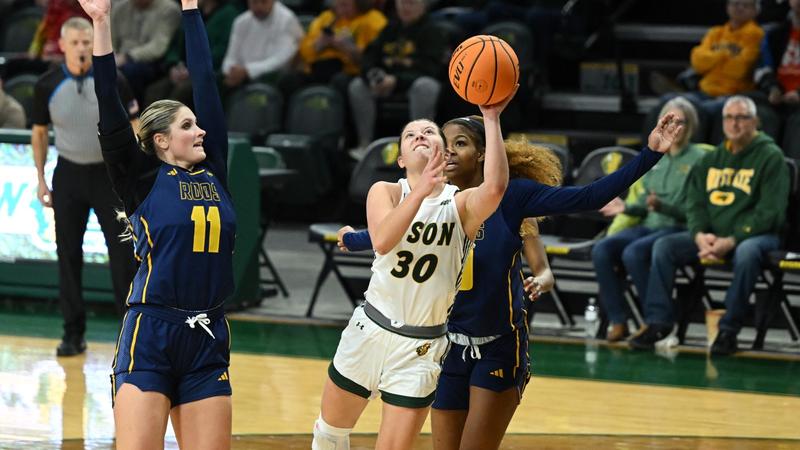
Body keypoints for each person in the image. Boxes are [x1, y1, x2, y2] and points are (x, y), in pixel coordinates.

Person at [337, 113, 685, 450]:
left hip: (497, 345)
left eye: (461, 143)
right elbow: (387, 235)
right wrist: (351, 238)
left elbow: (588, 197)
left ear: (483, 154)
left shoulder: (512, 197)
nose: (451, 151)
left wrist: (651, 153)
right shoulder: (433, 200)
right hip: (443, 347)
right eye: (446, 143)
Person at [312, 84, 515, 449]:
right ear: (402, 160)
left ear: (444, 151)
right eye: (410, 135)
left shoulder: (461, 204)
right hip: (369, 330)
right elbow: (382, 240)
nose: (420, 136)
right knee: (329, 435)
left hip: (421, 346)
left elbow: (496, 188)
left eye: (428, 132)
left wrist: (491, 117)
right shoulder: (386, 191)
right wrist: (421, 190)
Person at [79, 0, 236, 446]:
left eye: (198, 124)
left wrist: (191, 10)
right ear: (162, 140)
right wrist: (102, 23)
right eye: (188, 126)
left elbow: (205, 80)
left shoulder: (215, 169)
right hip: (151, 334)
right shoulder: (141, 179)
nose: (200, 131)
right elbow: (108, 99)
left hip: (208, 334)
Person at [630, 95, 789, 356]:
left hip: (758, 236)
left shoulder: (771, 157)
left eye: (742, 117)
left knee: (747, 253)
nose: (734, 123)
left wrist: (732, 239)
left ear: (755, 122)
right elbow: (695, 204)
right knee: (664, 246)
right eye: (729, 117)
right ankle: (659, 322)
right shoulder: (712, 158)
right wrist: (699, 235)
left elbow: (770, 213)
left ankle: (728, 330)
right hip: (713, 236)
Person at [31, 16, 138, 357]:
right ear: (62, 45)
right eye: (75, 42)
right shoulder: (47, 84)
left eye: (86, 42)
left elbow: (135, 125)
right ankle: (72, 333)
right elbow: (39, 132)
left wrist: (133, 172)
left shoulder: (114, 80)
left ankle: (130, 335)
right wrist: (40, 178)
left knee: (123, 257)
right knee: (68, 255)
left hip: (109, 178)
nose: (81, 48)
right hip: (68, 175)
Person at [592, 97, 707, 342]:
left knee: (633, 252)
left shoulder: (700, 159)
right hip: (649, 225)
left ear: (691, 126)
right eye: (670, 121)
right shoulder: (656, 157)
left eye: (681, 122)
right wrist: (626, 208)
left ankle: (655, 320)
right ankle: (618, 320)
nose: (675, 127)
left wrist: (663, 206)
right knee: (602, 249)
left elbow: (697, 211)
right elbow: (645, 206)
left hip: (678, 228)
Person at [347, 0, 445, 160]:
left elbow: (431, 69)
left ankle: (421, 148)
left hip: (414, 84)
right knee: (358, 86)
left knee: (425, 86)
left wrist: (397, 81)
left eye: (411, 3)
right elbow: (369, 57)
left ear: (423, 6)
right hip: (387, 83)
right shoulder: (390, 28)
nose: (405, 7)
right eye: (401, 3)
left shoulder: (432, 31)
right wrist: (373, 75)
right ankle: (365, 145)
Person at [221, 0, 303, 90]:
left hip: (273, 78)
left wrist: (248, 71)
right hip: (240, 76)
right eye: (254, 2)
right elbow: (230, 57)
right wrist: (231, 70)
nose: (259, 7)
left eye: (264, 2)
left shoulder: (287, 19)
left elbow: (282, 59)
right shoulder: (240, 22)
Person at [110, 0, 182, 103]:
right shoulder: (119, 8)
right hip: (119, 58)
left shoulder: (169, 9)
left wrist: (127, 57)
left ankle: (132, 110)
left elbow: (158, 46)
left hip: (152, 61)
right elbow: (110, 40)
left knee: (131, 72)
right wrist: (110, 58)